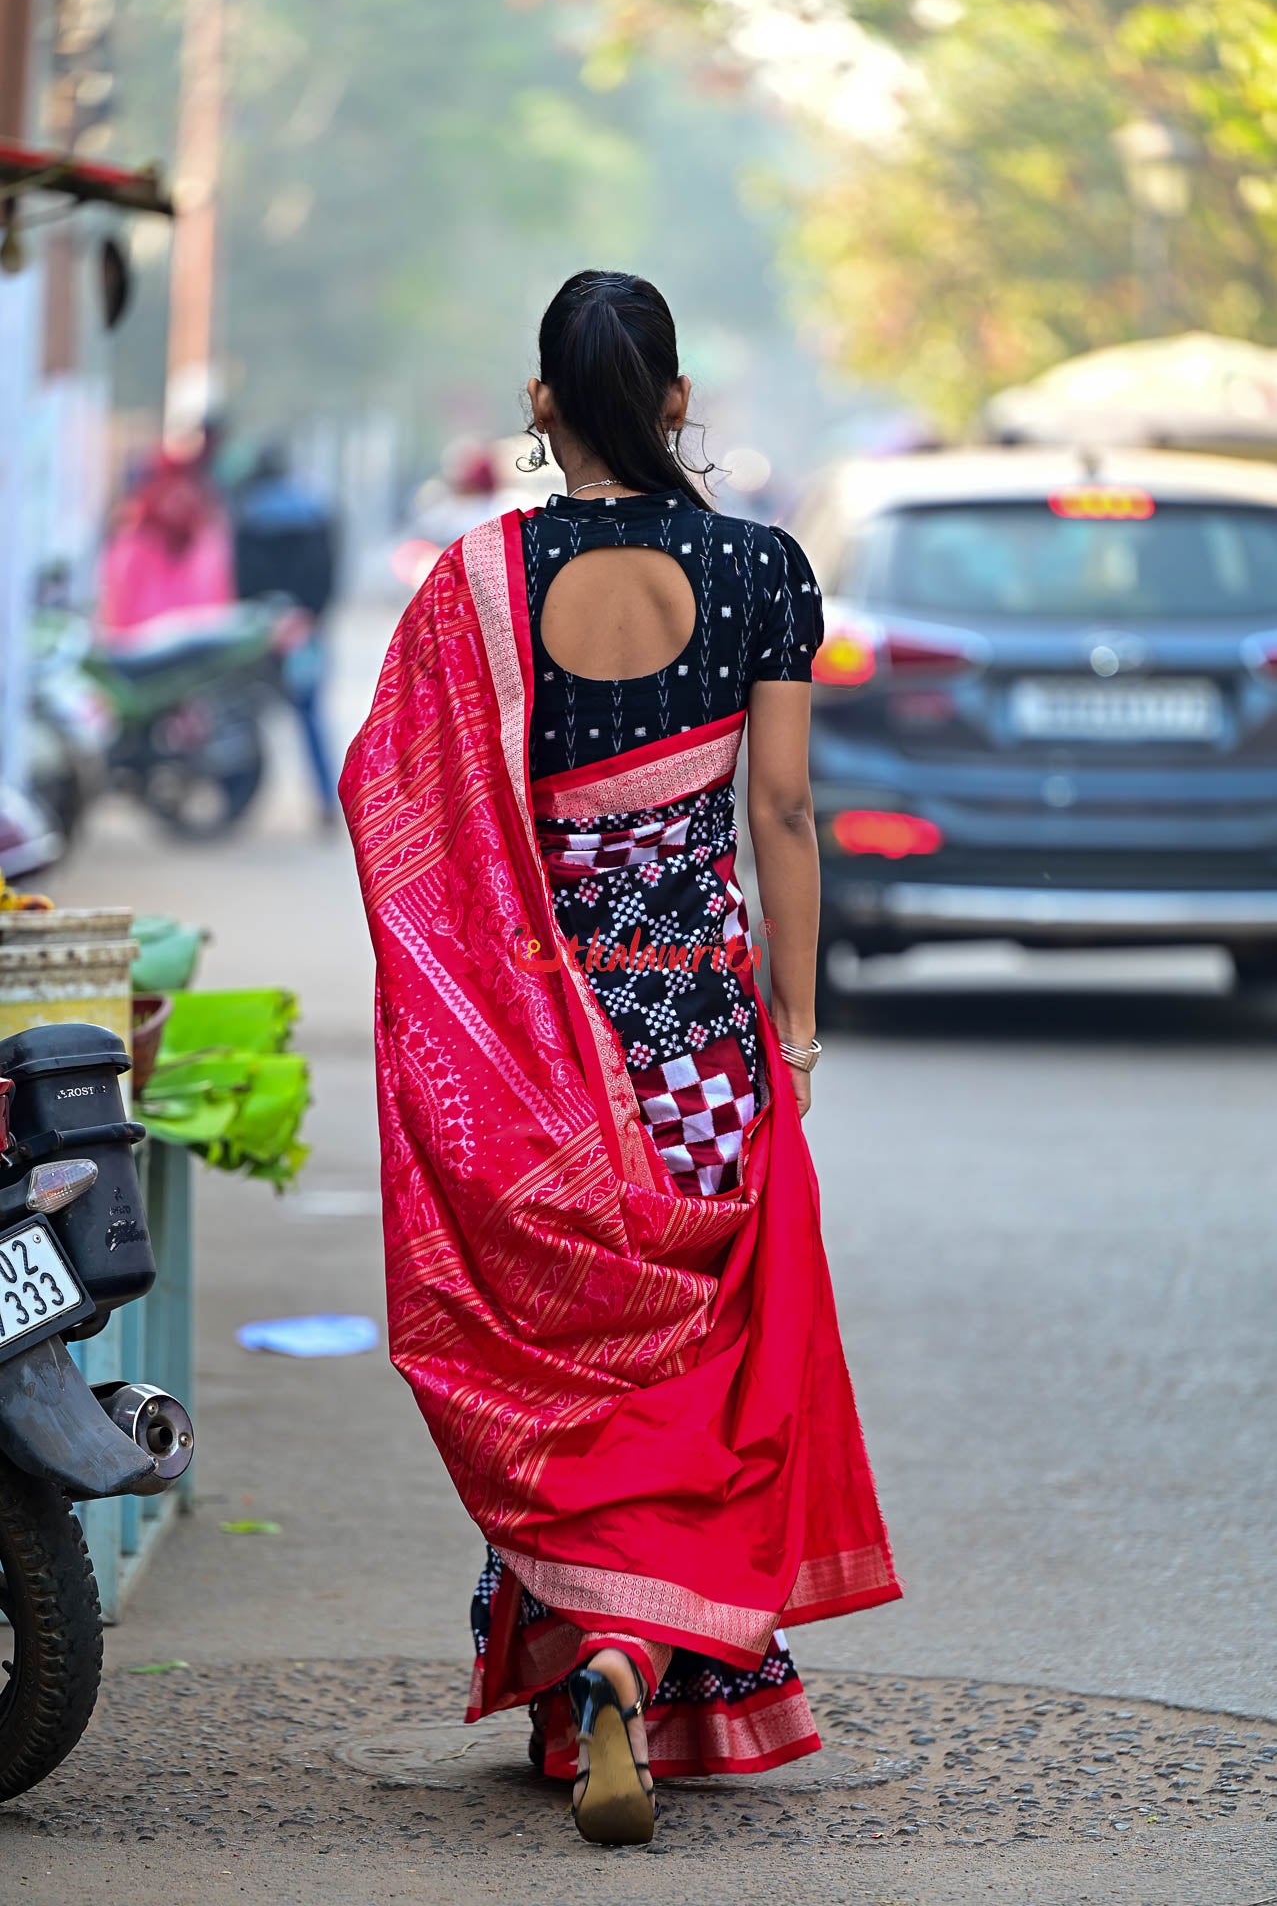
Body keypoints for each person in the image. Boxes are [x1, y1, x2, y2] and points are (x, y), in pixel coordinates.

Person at [341, 271, 900, 1848]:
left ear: (539, 405)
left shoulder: (475, 582)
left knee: (567, 1355)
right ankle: (646, 1653)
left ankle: (592, 1644)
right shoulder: (760, 569)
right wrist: (793, 1029)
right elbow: (779, 816)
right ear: (671, 401)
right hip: (697, 1039)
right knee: (702, 1360)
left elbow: (413, 815)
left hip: (527, 1042)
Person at [232, 443, 340, 823]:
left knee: (241, 713)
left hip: (258, 631)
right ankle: (327, 797)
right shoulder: (315, 510)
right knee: (309, 714)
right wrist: (309, 614)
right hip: (306, 629)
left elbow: (241, 577)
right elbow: (329, 570)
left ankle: (236, 801)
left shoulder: (246, 513)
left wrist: (264, 616)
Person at [98, 446, 235, 643]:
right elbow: (118, 616)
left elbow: (219, 607)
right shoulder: (132, 545)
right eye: (169, 486)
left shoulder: (206, 543)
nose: (177, 496)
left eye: (183, 486)